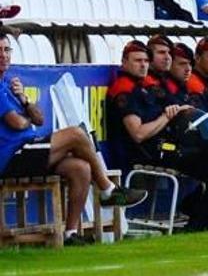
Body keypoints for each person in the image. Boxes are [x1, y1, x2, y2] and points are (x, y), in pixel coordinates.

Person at [0, 33, 148, 246]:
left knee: (81, 168)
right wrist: (26, 117)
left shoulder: (8, 85)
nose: (3, 55)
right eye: (0, 51)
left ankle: (70, 233)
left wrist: (24, 100)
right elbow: (17, 123)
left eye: (7, 50)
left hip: (28, 150)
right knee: (77, 134)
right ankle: (107, 190)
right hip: (12, 156)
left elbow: (39, 119)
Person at [107, 40, 208, 230]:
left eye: (145, 60)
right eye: (138, 60)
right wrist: (167, 116)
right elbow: (138, 135)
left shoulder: (154, 85)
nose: (143, 64)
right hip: (152, 151)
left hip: (167, 145)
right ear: (124, 62)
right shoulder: (125, 88)